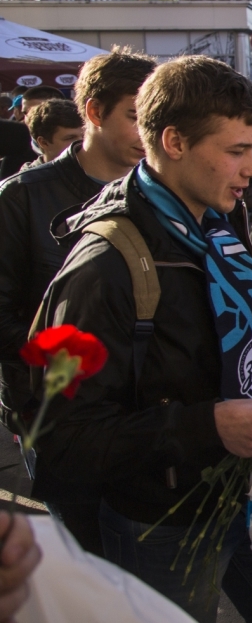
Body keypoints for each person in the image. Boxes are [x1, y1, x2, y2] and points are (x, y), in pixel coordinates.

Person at [32, 56, 252, 622]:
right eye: (236, 151)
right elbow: (63, 438)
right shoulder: (103, 267)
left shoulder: (213, 225)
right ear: (174, 141)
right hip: (161, 520)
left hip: (238, 494)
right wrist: (207, 425)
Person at [0, 49, 157, 497]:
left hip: (139, 419)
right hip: (53, 416)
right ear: (94, 112)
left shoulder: (158, 195)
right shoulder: (21, 198)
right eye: (133, 116)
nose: (147, 133)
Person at [23, 99, 84, 165]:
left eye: (84, 136)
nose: (82, 143)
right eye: (71, 138)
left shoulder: (92, 171)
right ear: (44, 143)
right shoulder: (30, 175)